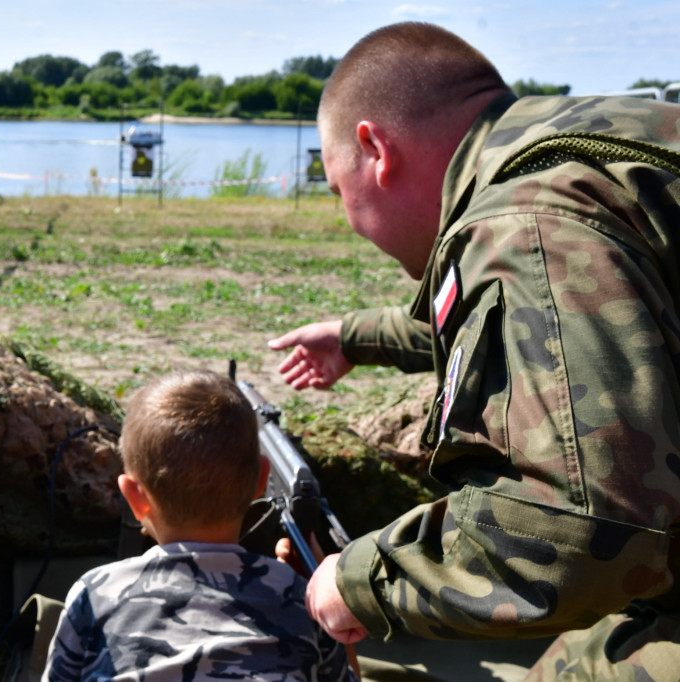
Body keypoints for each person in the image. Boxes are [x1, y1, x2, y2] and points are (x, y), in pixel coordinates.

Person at [269, 21, 680, 681]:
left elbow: (584, 539)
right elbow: (549, 316)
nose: (346, 215)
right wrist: (353, 338)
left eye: (336, 186)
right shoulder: (593, 142)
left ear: (373, 149)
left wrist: (360, 581)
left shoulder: (521, 221)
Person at [41, 369, 359, 681]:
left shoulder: (95, 594)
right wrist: (328, 595)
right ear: (261, 481)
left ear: (133, 497)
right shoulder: (294, 594)